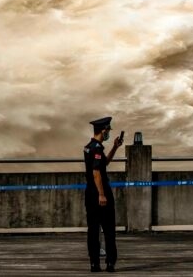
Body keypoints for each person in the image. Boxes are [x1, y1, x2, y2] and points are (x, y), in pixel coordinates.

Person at [84, 116, 122, 272]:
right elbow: (97, 173)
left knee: (93, 230)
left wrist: (115, 147)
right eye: (108, 131)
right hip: (100, 192)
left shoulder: (88, 147)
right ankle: (110, 263)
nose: (109, 133)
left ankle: (94, 263)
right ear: (103, 130)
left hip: (89, 193)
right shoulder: (97, 148)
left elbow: (104, 163)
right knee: (108, 230)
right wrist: (102, 194)